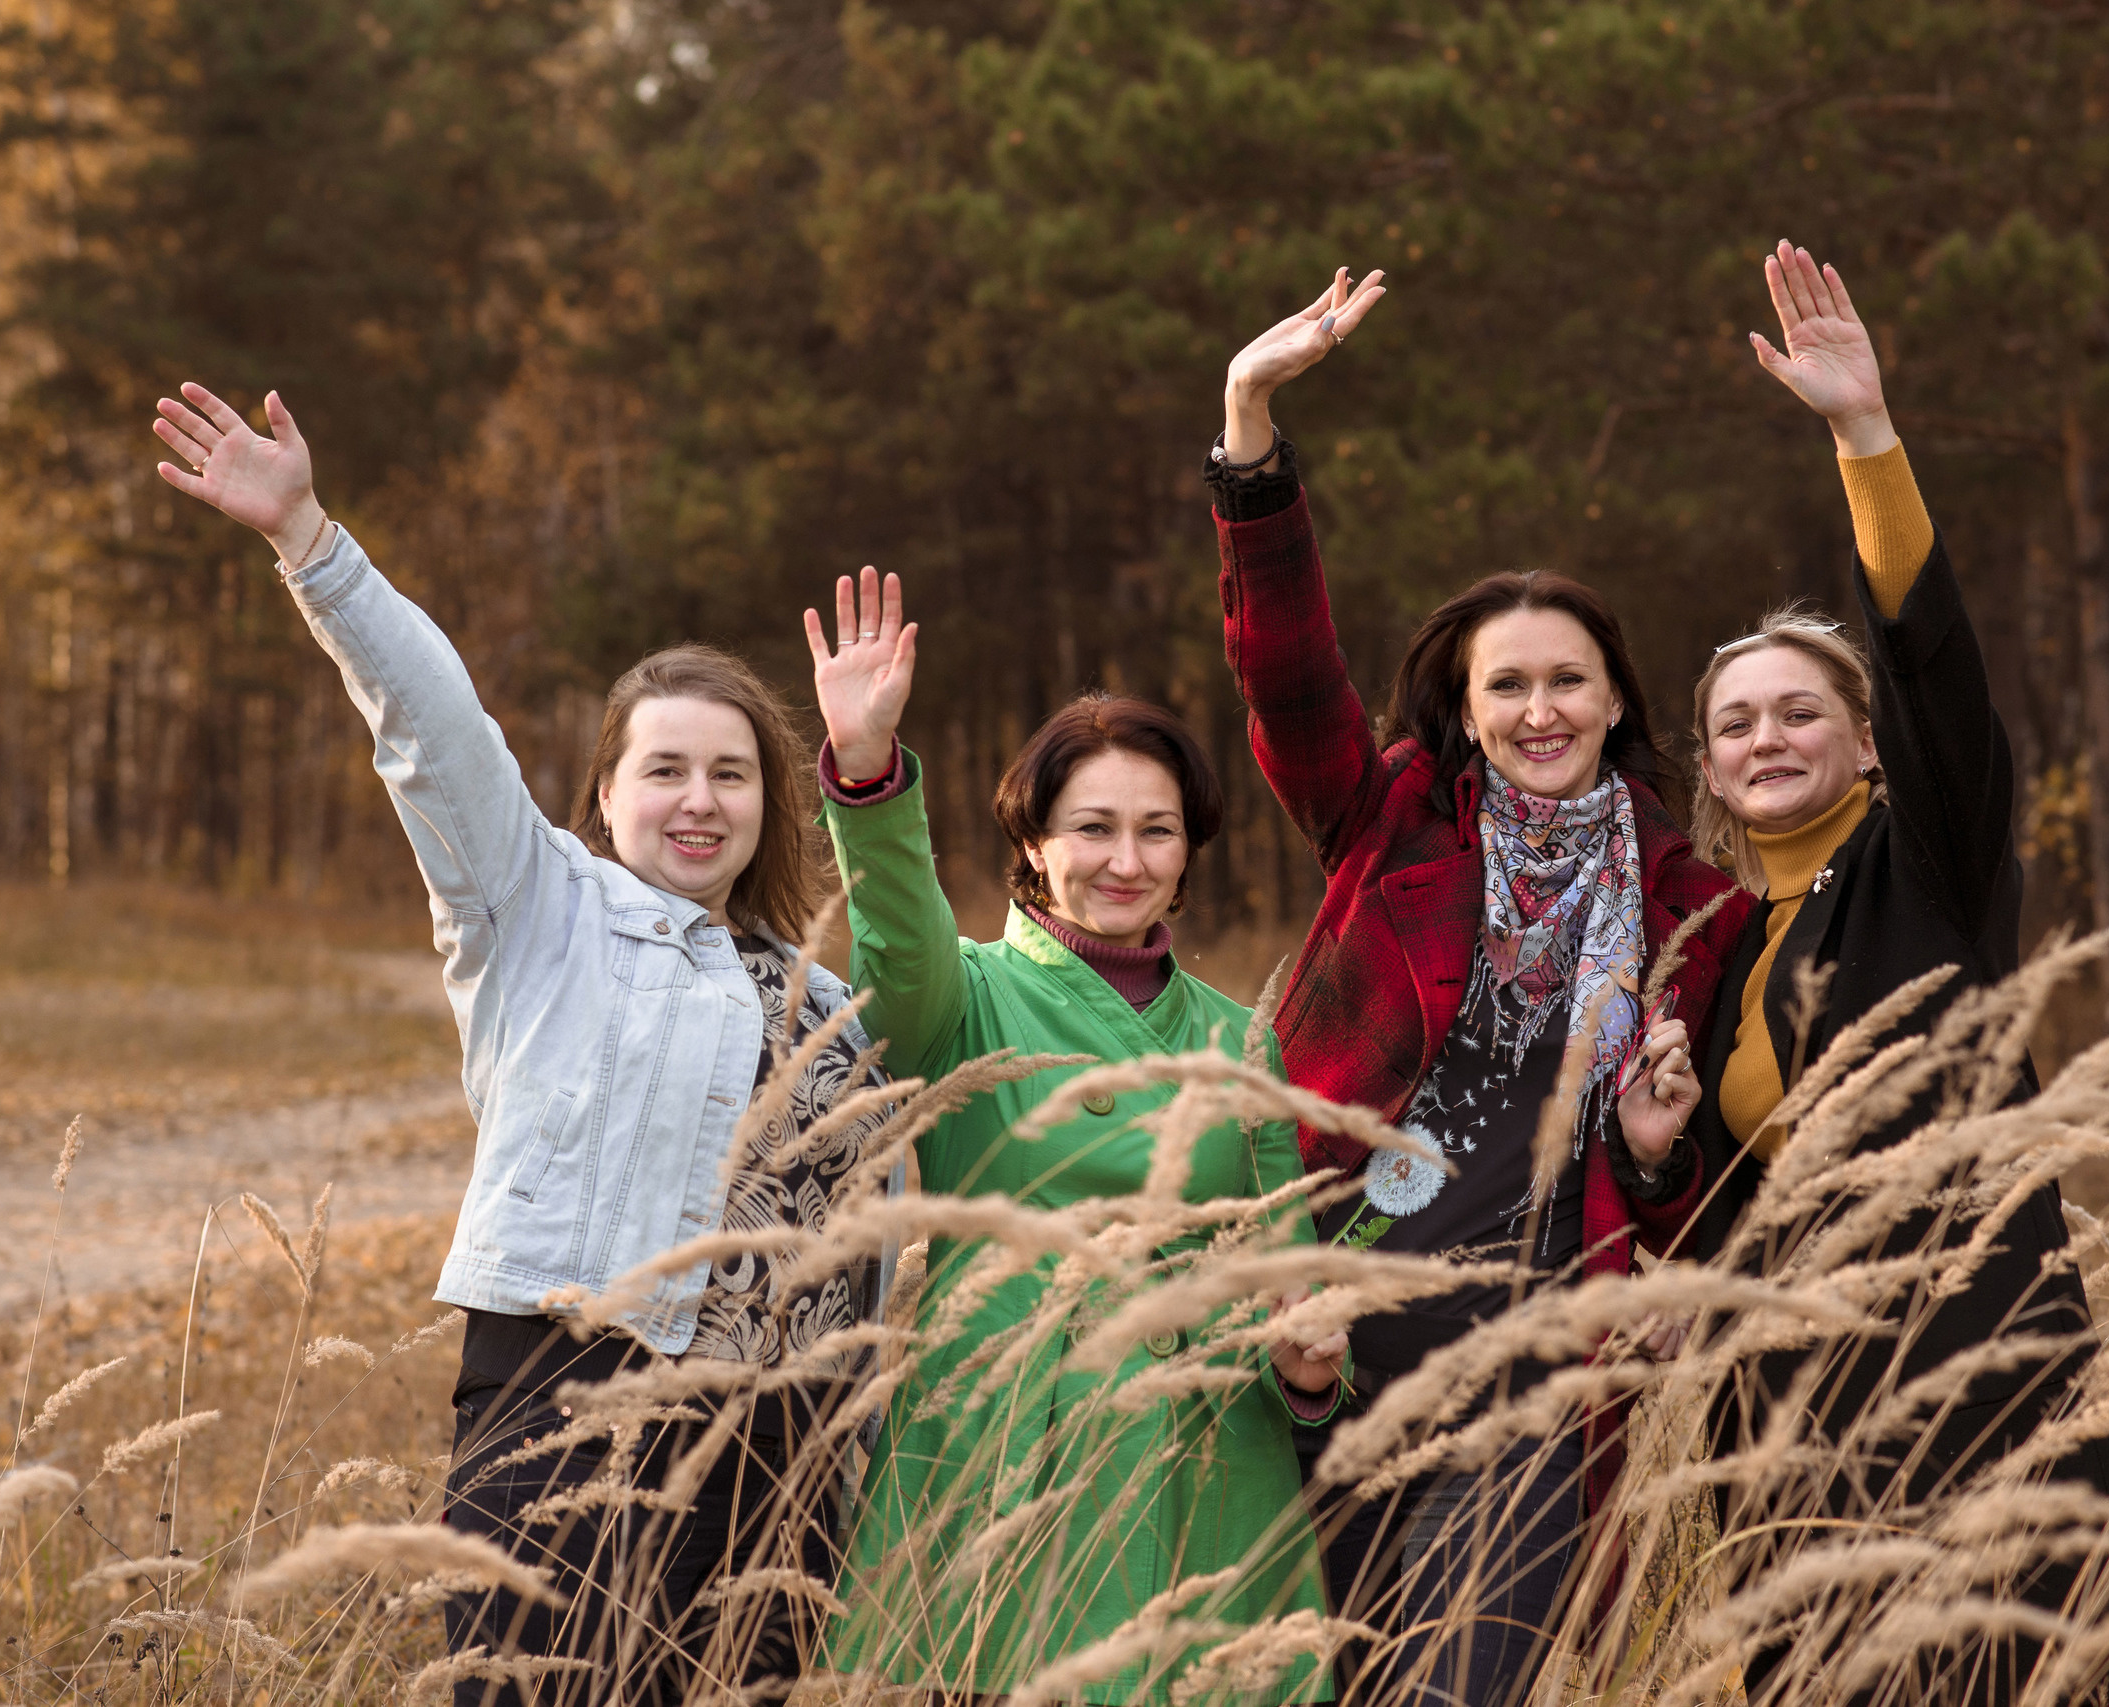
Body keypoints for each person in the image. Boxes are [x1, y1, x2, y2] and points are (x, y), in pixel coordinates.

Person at [149, 385, 887, 1706]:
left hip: (776, 1458)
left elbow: (866, 1271)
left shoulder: (828, 1004)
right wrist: (311, 541)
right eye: (663, 767)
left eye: (730, 771)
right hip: (560, 1394)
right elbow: (434, 729)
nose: (698, 798)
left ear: (771, 801)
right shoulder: (537, 906)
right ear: (602, 794)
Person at [1208, 271, 1754, 1707]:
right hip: (1332, 1334)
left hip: (1537, 1363)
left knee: (1470, 1683)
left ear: (1618, 698)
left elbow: (1698, 1178)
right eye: (1506, 685)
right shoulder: (1389, 818)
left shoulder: (1692, 904)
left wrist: (1655, 1149)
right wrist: (1251, 435)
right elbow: (1288, 679)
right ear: (1460, 707)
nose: (1539, 711)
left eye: (1568, 680)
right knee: (1338, 1673)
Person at [1683, 242, 2109, 1705]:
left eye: (1798, 711)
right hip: (1795, 1432)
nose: (1765, 737)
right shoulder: (1707, 948)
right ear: (1704, 765)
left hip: (1980, 1395)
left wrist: (1864, 439)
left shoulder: (1925, 863)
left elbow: (1939, 669)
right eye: (1735, 722)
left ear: (1869, 738)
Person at [804, 569, 1346, 1704]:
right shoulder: (966, 1001)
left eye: (1156, 832)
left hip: (1200, 1467)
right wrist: (867, 774)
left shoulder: (1240, 1041)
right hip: (1000, 1438)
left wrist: (1302, 1371)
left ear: (1188, 853)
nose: (1125, 861)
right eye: (1091, 828)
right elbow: (898, 945)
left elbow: (1279, 1284)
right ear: (1034, 844)